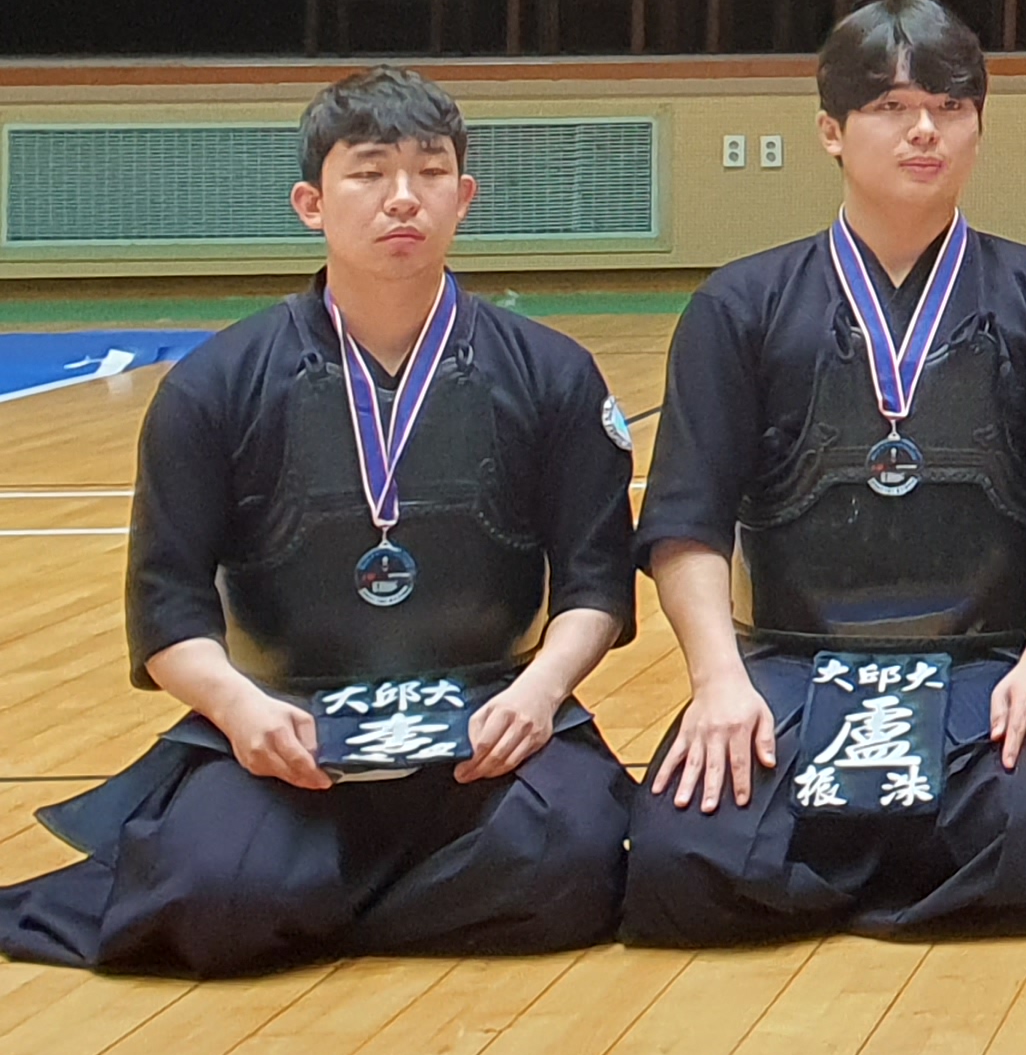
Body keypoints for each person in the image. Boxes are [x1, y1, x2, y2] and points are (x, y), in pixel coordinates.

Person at [0, 70, 634, 973]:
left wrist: (538, 694)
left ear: (465, 197)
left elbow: (595, 583)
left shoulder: (553, 373)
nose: (403, 197)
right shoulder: (216, 385)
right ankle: (347, 895)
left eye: (430, 171)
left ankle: (315, 904)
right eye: (369, 173)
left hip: (491, 714)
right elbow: (168, 604)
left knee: (573, 861)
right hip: (281, 724)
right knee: (218, 892)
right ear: (311, 203)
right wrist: (238, 707)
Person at [623, 0, 1026, 942]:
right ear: (830, 130)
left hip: (987, 664)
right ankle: (909, 875)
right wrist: (718, 683)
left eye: (951, 107)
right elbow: (686, 522)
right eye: (891, 107)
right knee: (684, 855)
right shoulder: (739, 306)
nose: (925, 130)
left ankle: (843, 883)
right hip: (792, 665)